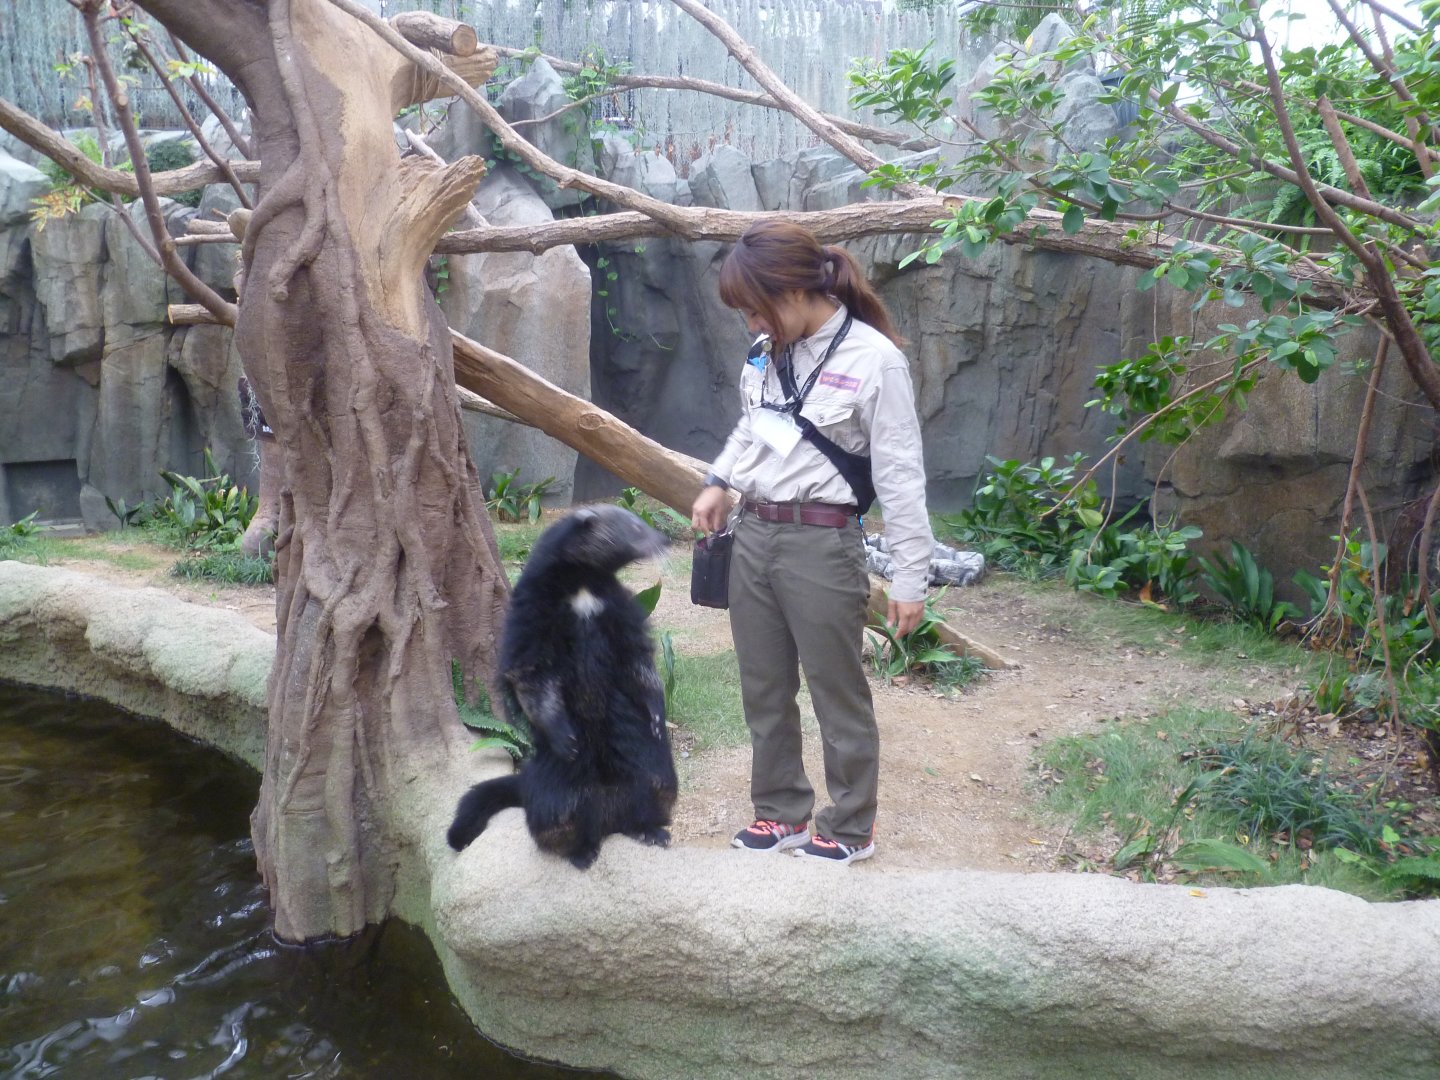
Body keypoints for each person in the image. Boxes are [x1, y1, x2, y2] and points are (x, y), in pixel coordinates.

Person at [691, 221, 932, 866]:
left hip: (823, 543)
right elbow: (752, 428)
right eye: (745, 315)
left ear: (796, 291)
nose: (752, 325)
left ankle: (850, 827)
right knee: (763, 687)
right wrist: (718, 481)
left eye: (756, 310)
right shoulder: (765, 353)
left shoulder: (874, 360)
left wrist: (911, 577)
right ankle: (780, 813)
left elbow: (901, 474)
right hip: (754, 533)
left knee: (835, 690)